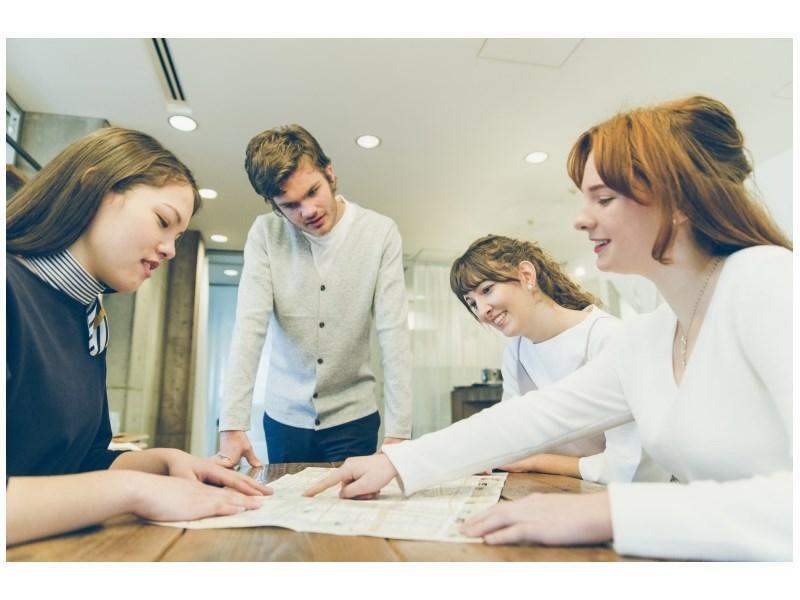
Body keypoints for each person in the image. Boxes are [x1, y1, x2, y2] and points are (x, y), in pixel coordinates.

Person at [305, 96, 792, 561]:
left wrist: (611, 513)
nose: (581, 220)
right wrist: (397, 462)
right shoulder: (650, 337)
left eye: (603, 198)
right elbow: (533, 416)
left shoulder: (768, 281)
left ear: (680, 200)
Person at [6, 127, 270, 545]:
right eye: (163, 221)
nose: (169, 250)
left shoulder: (88, 313)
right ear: (92, 187)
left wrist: (163, 462)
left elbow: (81, 463)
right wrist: (135, 490)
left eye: (178, 237)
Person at [215, 124, 411, 467]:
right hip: (284, 419)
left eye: (312, 192)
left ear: (330, 174)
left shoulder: (380, 233)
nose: (307, 211)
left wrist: (399, 431)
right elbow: (250, 327)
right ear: (273, 205)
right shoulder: (266, 233)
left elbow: (393, 332)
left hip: (355, 418)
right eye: (289, 205)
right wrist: (232, 423)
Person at [451, 234, 668, 484]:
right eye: (472, 303)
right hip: (553, 488)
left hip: (617, 500)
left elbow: (631, 467)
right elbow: (511, 434)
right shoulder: (516, 351)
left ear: (526, 275)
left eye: (487, 290)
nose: (482, 311)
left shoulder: (607, 337)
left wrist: (536, 461)